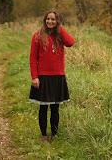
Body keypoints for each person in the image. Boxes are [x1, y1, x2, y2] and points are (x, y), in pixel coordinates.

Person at [29, 8, 75, 143]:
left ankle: (54, 134)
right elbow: (32, 58)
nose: (50, 21)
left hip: (58, 76)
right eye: (48, 19)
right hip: (42, 77)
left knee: (55, 109)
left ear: (57, 21)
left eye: (53, 19)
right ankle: (44, 135)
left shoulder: (60, 35)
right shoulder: (37, 35)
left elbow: (71, 42)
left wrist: (60, 29)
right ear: (45, 20)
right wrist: (34, 77)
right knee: (43, 108)